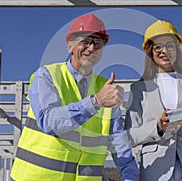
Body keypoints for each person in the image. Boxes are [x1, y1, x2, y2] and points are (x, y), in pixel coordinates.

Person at [10, 13, 138, 181]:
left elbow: (121, 147)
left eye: (97, 44)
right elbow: (49, 122)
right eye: (85, 41)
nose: (91, 48)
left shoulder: (105, 88)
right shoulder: (47, 76)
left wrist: (130, 177)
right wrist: (96, 102)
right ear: (70, 46)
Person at [124, 20, 182, 181]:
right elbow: (128, 136)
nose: (164, 51)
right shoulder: (139, 89)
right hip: (157, 171)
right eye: (158, 47)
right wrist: (158, 127)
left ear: (177, 49)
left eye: (169, 45)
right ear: (150, 52)